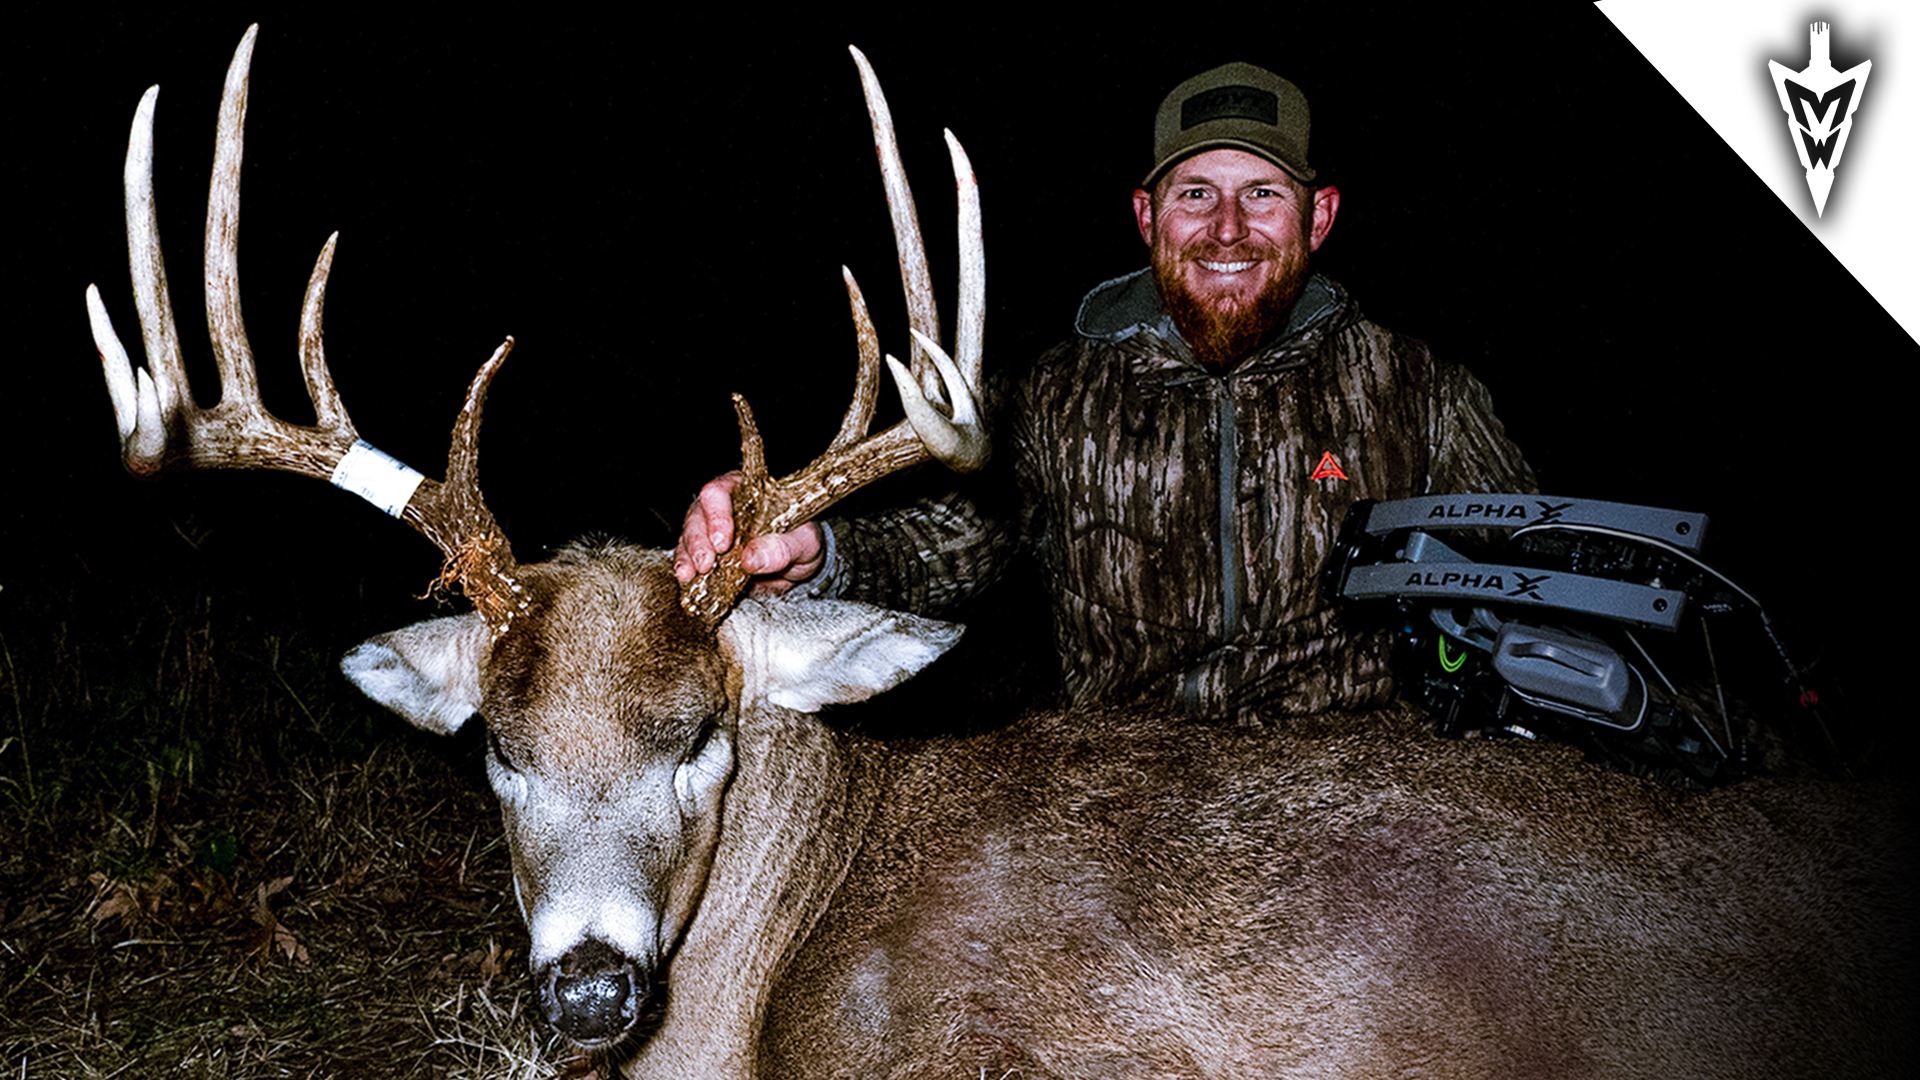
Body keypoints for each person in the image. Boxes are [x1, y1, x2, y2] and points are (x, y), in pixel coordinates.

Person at [676, 61, 1535, 724]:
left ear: (1319, 218)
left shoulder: (1420, 391)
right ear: (1145, 216)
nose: (1226, 230)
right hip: (1129, 808)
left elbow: (1538, 576)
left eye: (1262, 195)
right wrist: (817, 551)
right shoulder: (1056, 397)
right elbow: (945, 548)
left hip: (1365, 792)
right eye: (1195, 194)